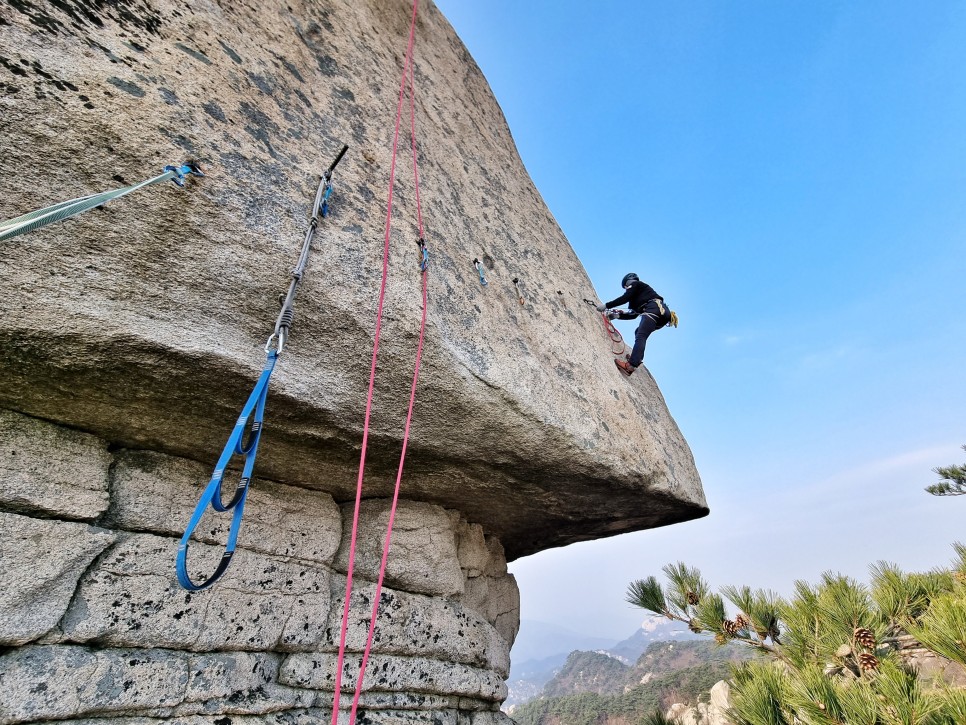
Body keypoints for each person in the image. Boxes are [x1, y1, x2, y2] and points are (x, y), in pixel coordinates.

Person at [596, 273, 674, 376]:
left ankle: (631, 365)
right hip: (662, 315)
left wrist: (606, 306)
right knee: (639, 333)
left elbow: (624, 298)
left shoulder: (636, 284)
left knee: (641, 336)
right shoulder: (639, 297)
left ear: (628, 282)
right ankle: (636, 358)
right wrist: (617, 316)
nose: (626, 289)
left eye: (626, 287)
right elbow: (633, 315)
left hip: (654, 309)